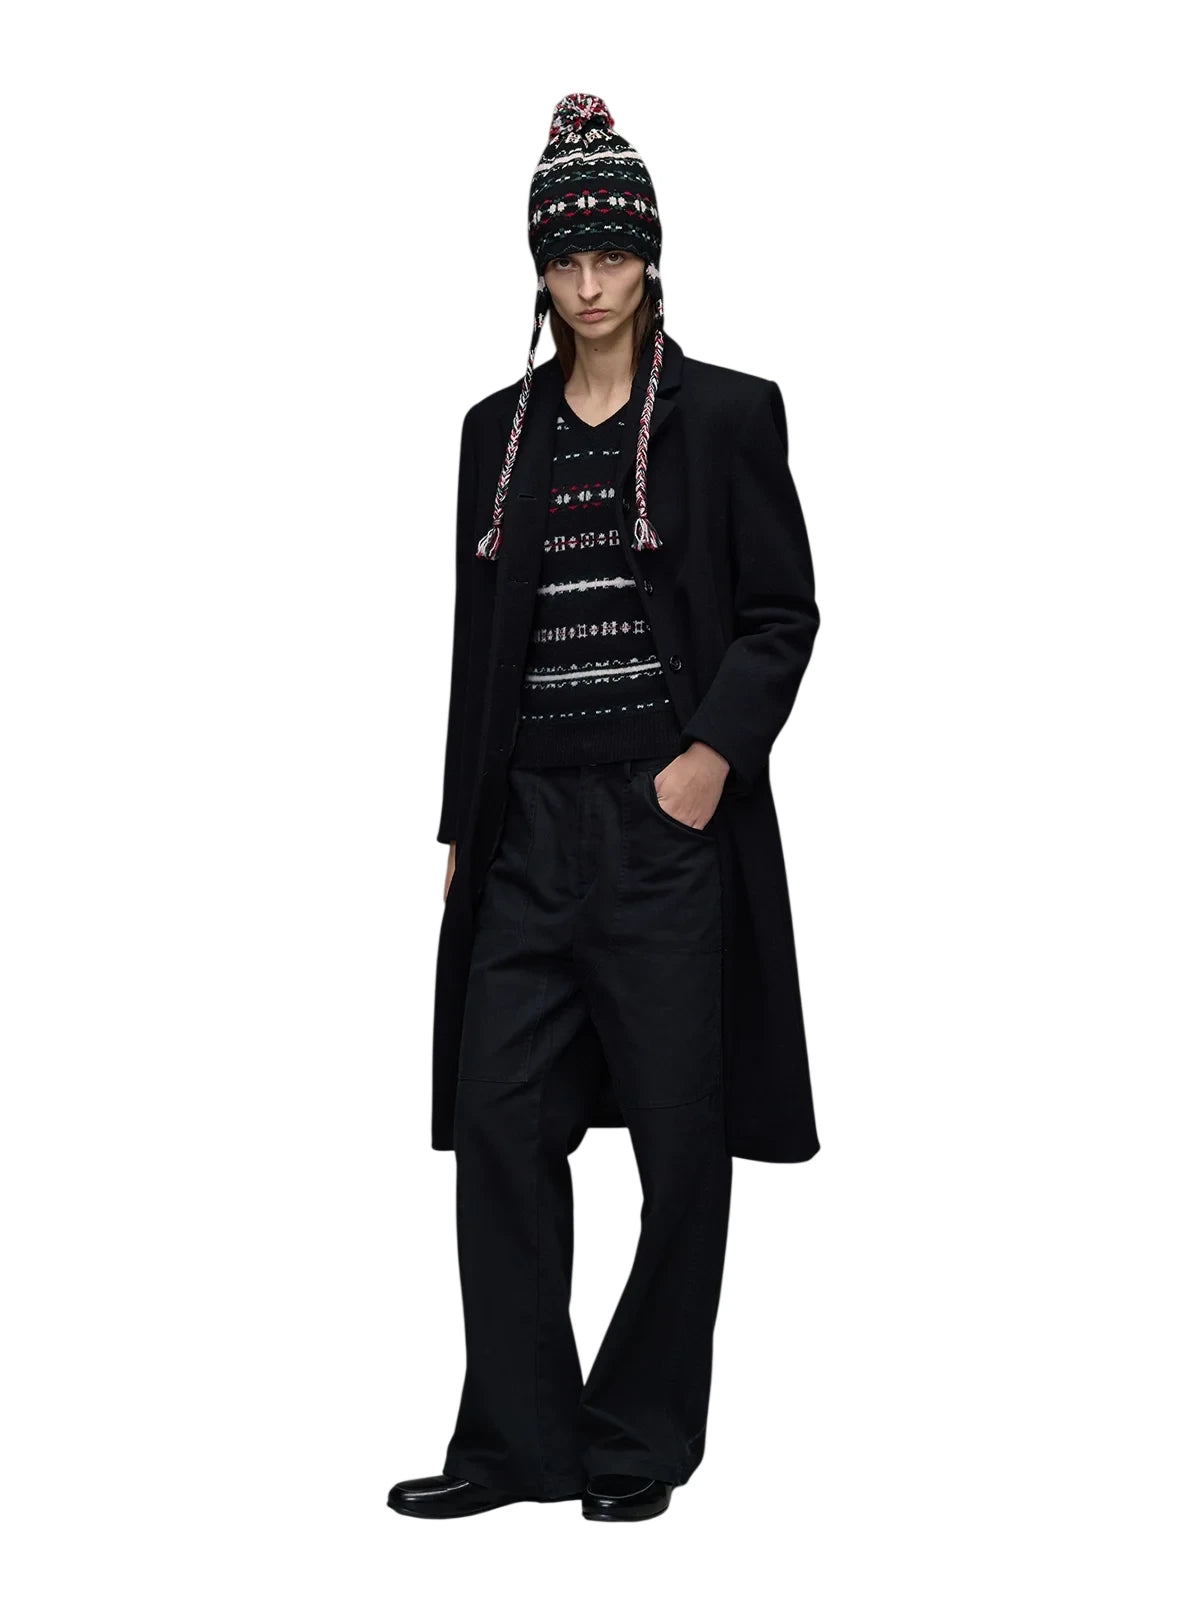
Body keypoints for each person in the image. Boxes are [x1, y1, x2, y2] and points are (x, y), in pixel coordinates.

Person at [388, 91, 820, 1524]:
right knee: (501, 1123)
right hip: (523, 831)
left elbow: (781, 613)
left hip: (662, 831)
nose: (587, 285)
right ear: (538, 265)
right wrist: (462, 825)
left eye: (611, 257)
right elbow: (475, 644)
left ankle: (636, 1438)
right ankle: (518, 1443)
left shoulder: (729, 416)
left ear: (649, 257)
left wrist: (706, 762)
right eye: (564, 259)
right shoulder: (493, 433)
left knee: (682, 1140)